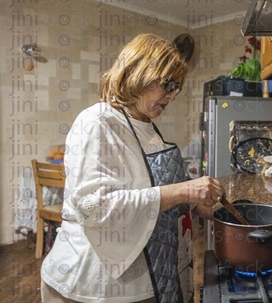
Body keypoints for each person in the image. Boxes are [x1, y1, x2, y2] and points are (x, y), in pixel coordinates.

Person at [40, 33, 225, 303]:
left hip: (152, 274)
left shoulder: (148, 128)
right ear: (140, 73)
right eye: (169, 85)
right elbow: (94, 207)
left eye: (178, 88)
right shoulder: (97, 122)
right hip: (94, 284)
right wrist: (184, 190)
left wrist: (199, 205)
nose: (172, 96)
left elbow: (153, 191)